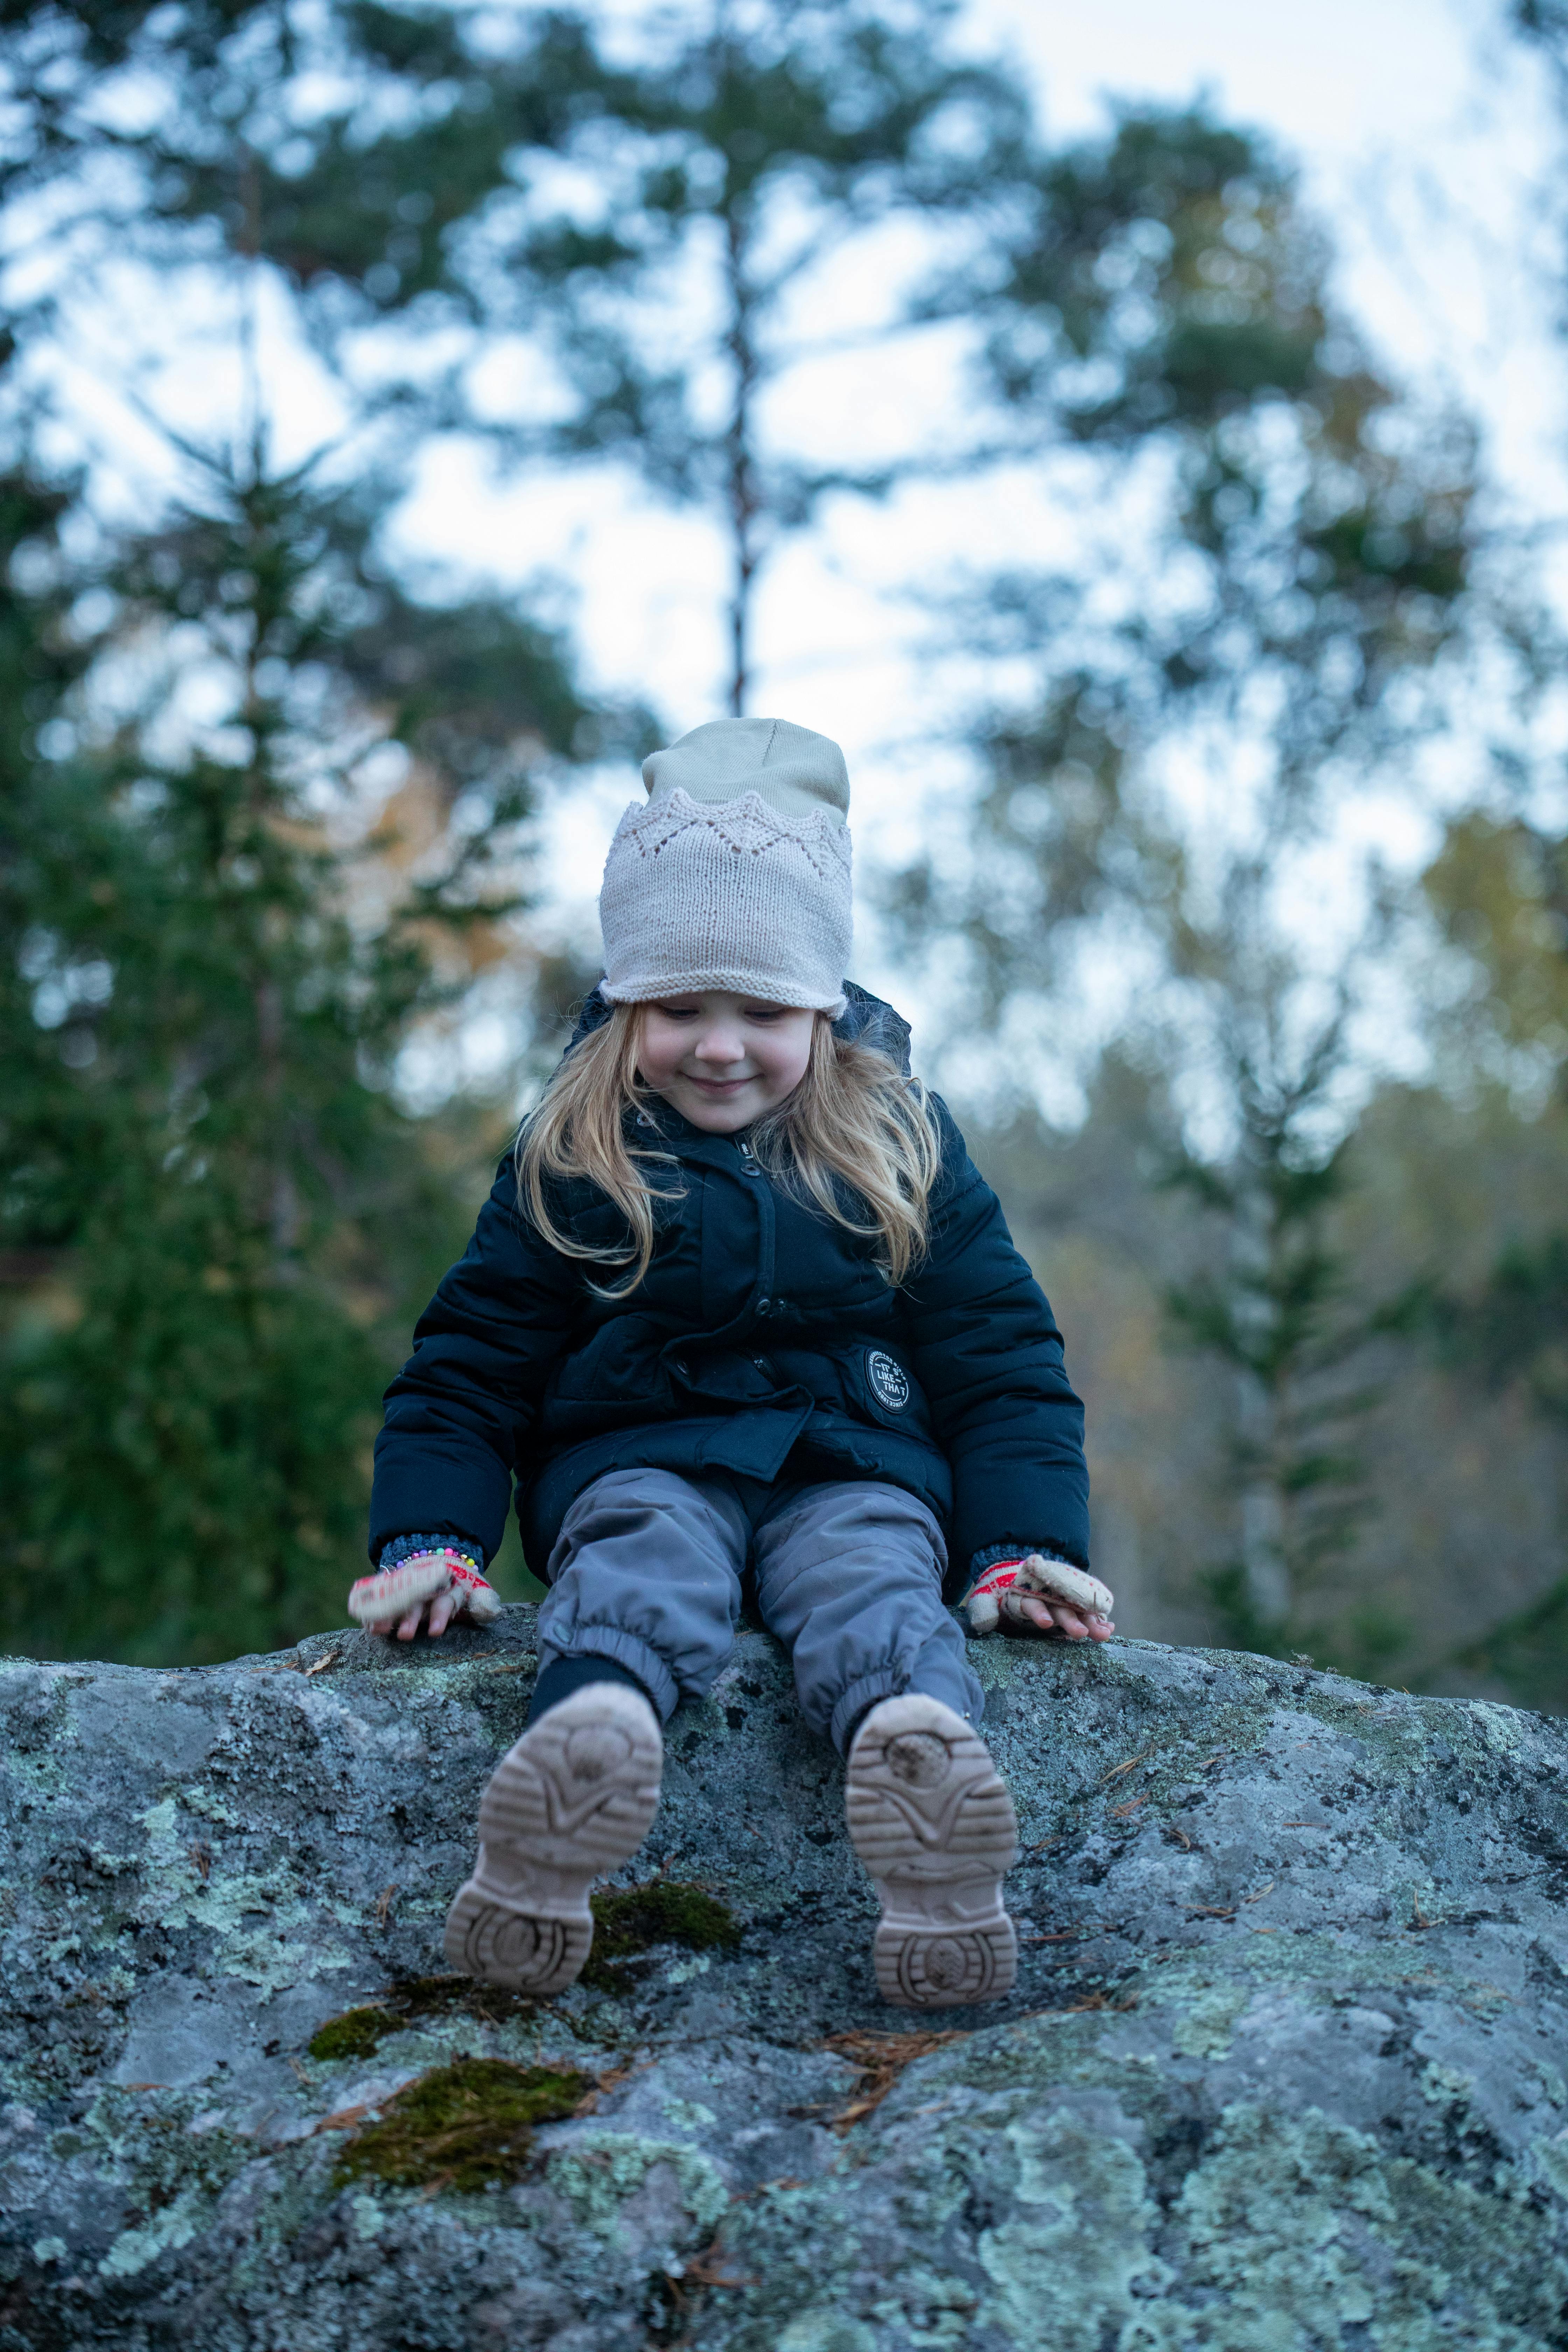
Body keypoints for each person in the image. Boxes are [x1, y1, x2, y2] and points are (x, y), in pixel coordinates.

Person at [349, 717, 1113, 2009]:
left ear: (823, 1005)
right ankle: (585, 1752)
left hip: (851, 1465)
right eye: (678, 1006)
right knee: (643, 1549)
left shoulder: (901, 1142)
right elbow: (470, 1365)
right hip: (641, 1455)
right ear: (625, 1003)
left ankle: (918, 1775)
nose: (719, 1045)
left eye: (760, 1009)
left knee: (873, 1575)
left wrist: (1016, 1549)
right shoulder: (577, 1152)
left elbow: (1001, 1363)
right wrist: (431, 1539)